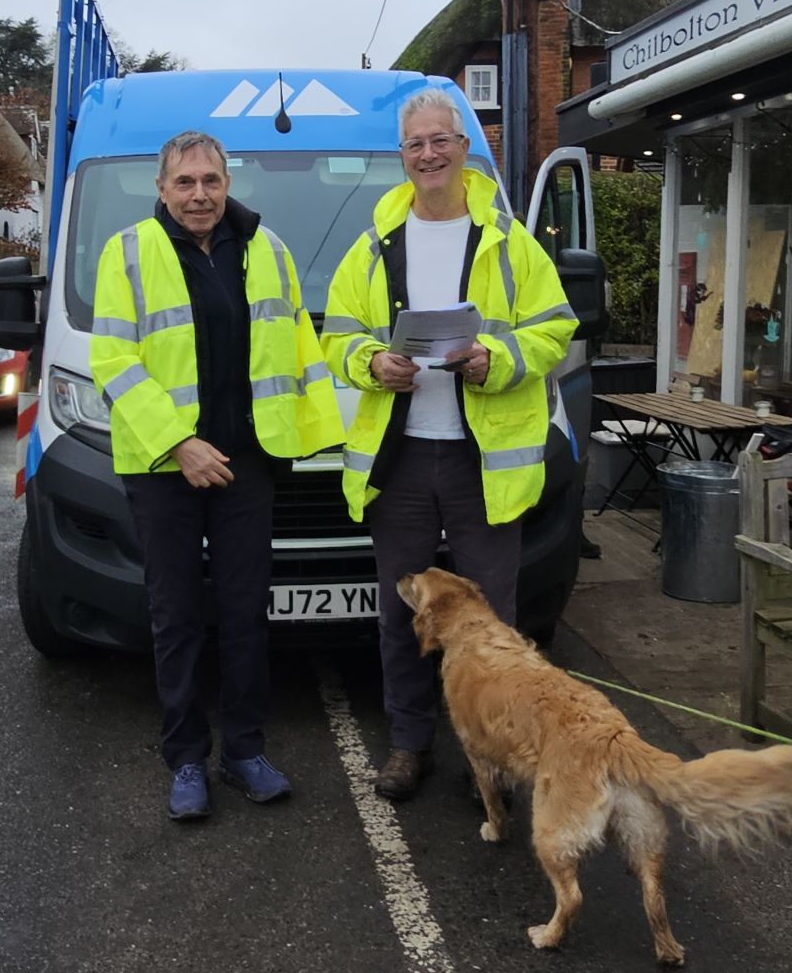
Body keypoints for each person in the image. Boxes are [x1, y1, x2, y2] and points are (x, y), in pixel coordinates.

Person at [320, 88, 576, 801]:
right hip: (399, 459)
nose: (428, 154)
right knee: (404, 614)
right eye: (415, 144)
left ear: (464, 147)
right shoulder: (373, 245)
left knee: (491, 621)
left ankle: (491, 758)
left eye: (440, 140)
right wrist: (371, 361)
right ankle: (409, 744)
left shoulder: (508, 239)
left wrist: (500, 356)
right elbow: (336, 332)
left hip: (482, 461)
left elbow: (556, 325)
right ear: (400, 157)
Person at [90, 129, 344, 821]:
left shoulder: (269, 249)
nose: (199, 194)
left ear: (228, 183)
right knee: (176, 617)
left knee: (244, 614)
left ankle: (244, 752)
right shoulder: (129, 253)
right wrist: (180, 443)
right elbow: (113, 359)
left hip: (248, 462)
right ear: (162, 188)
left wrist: (314, 437)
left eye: (210, 180)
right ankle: (184, 760)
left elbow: (297, 348)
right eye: (185, 182)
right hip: (165, 466)